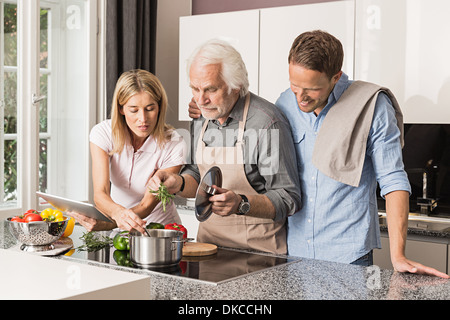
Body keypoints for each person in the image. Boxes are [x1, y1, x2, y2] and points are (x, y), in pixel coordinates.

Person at [188, 31, 449, 278]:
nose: (300, 97)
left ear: (336, 77)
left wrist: (398, 255)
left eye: (311, 90)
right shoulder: (284, 103)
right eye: (294, 86)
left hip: (348, 255)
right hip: (294, 253)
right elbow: (253, 116)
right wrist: (209, 105)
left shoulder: (372, 106)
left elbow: (393, 181)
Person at [148, 39, 301, 254]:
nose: (201, 100)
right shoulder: (202, 118)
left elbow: (288, 197)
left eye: (210, 89)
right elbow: (196, 174)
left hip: (258, 254)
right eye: (195, 88)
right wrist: (178, 183)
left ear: (236, 85)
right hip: (207, 248)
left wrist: (241, 204)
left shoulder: (266, 123)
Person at [70, 69, 187, 234]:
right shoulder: (103, 133)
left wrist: (110, 223)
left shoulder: (174, 143)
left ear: (159, 107)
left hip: (159, 230)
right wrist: (117, 215)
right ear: (121, 109)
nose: (143, 119)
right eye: (134, 110)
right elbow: (101, 193)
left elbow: (146, 205)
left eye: (150, 108)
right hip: (119, 225)